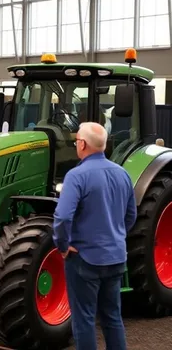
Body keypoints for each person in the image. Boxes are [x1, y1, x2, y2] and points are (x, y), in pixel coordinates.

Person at [53, 122, 136, 350]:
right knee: (112, 317)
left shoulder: (76, 176)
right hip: (116, 258)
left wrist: (62, 245)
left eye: (76, 140)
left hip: (84, 259)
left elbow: (62, 218)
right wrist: (115, 237)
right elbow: (131, 216)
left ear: (82, 144)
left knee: (84, 320)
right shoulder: (123, 174)